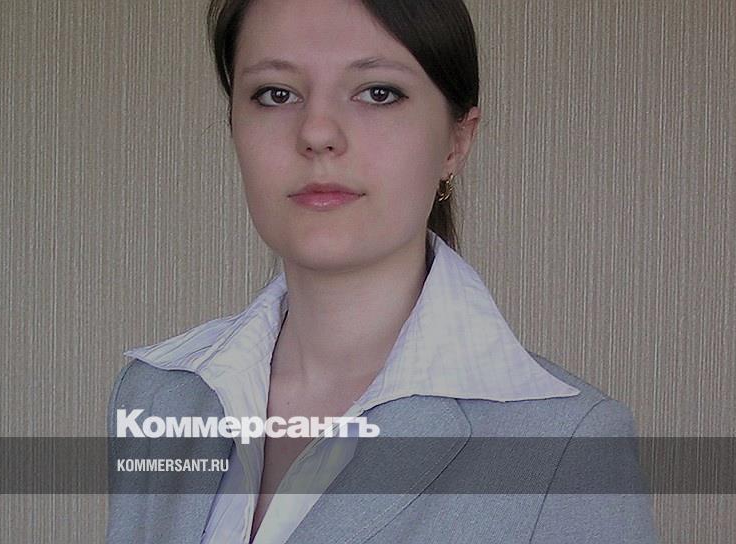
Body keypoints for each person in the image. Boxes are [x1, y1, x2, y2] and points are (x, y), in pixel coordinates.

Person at [107, 0, 657, 542]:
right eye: (276, 94)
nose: (317, 132)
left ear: (456, 142)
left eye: (378, 93)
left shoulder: (568, 446)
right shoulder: (158, 395)